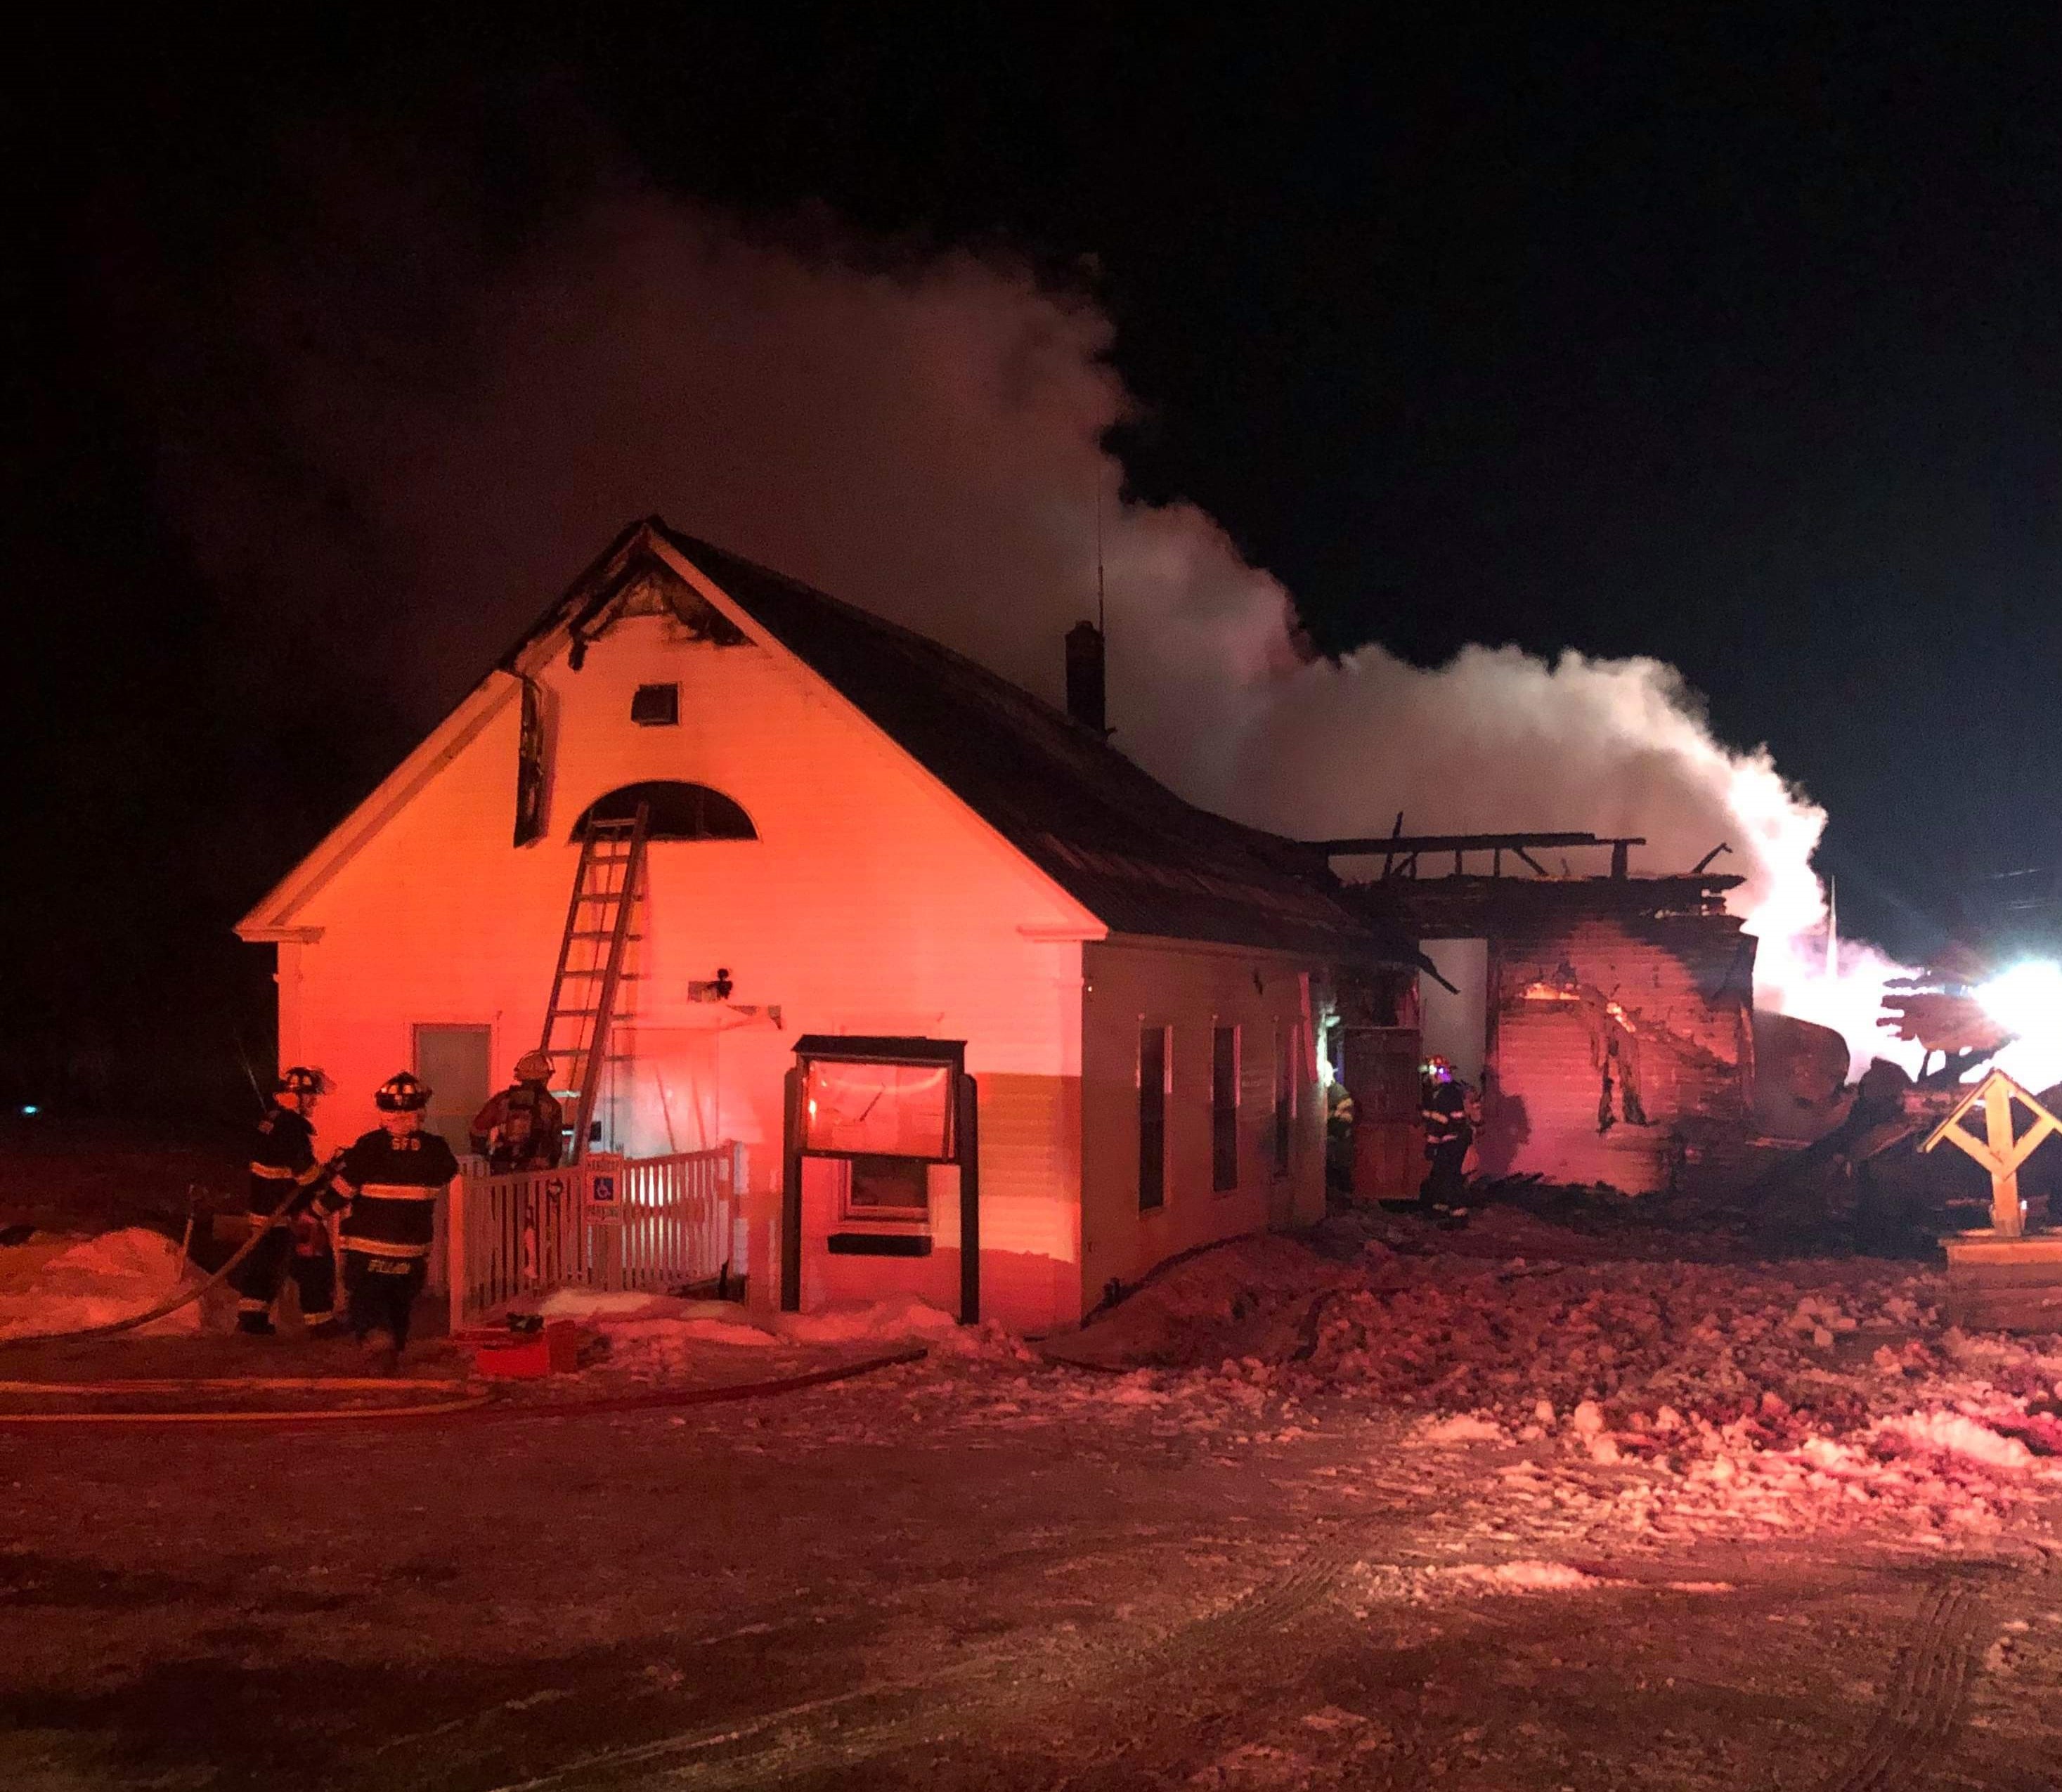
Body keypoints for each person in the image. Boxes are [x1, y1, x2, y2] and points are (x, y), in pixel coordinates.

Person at [316, 1072, 458, 1365]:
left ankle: (376, 1341)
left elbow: (342, 1190)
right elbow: (448, 1173)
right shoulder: (436, 1148)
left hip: (366, 1245)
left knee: (365, 1297)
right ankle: (394, 1346)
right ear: (420, 1110)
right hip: (412, 1246)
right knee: (400, 1301)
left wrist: (313, 1214)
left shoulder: (370, 1146)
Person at [232, 1066, 338, 1337]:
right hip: (290, 1212)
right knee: (316, 1262)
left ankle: (252, 1320)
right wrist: (329, 1173)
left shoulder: (269, 1120)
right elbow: (306, 1175)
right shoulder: (291, 1127)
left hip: (264, 1210)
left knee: (263, 1266)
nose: (314, 1101)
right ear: (297, 1096)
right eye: (311, 1096)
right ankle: (320, 1323)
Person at [469, 1051, 564, 1172]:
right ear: (546, 1078)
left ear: (520, 1076)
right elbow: (556, 1147)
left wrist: (484, 1155)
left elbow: (478, 1128)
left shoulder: (502, 1100)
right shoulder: (552, 1106)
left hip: (502, 1171)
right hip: (537, 1176)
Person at [1419, 1055, 1473, 1214]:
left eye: (1432, 1072)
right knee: (1439, 1175)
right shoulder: (1442, 1092)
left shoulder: (1447, 1094)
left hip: (1453, 1141)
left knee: (1450, 1176)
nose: (1430, 1076)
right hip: (1451, 1140)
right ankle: (1440, 1208)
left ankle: (1459, 1214)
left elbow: (1440, 1122)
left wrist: (1431, 1144)